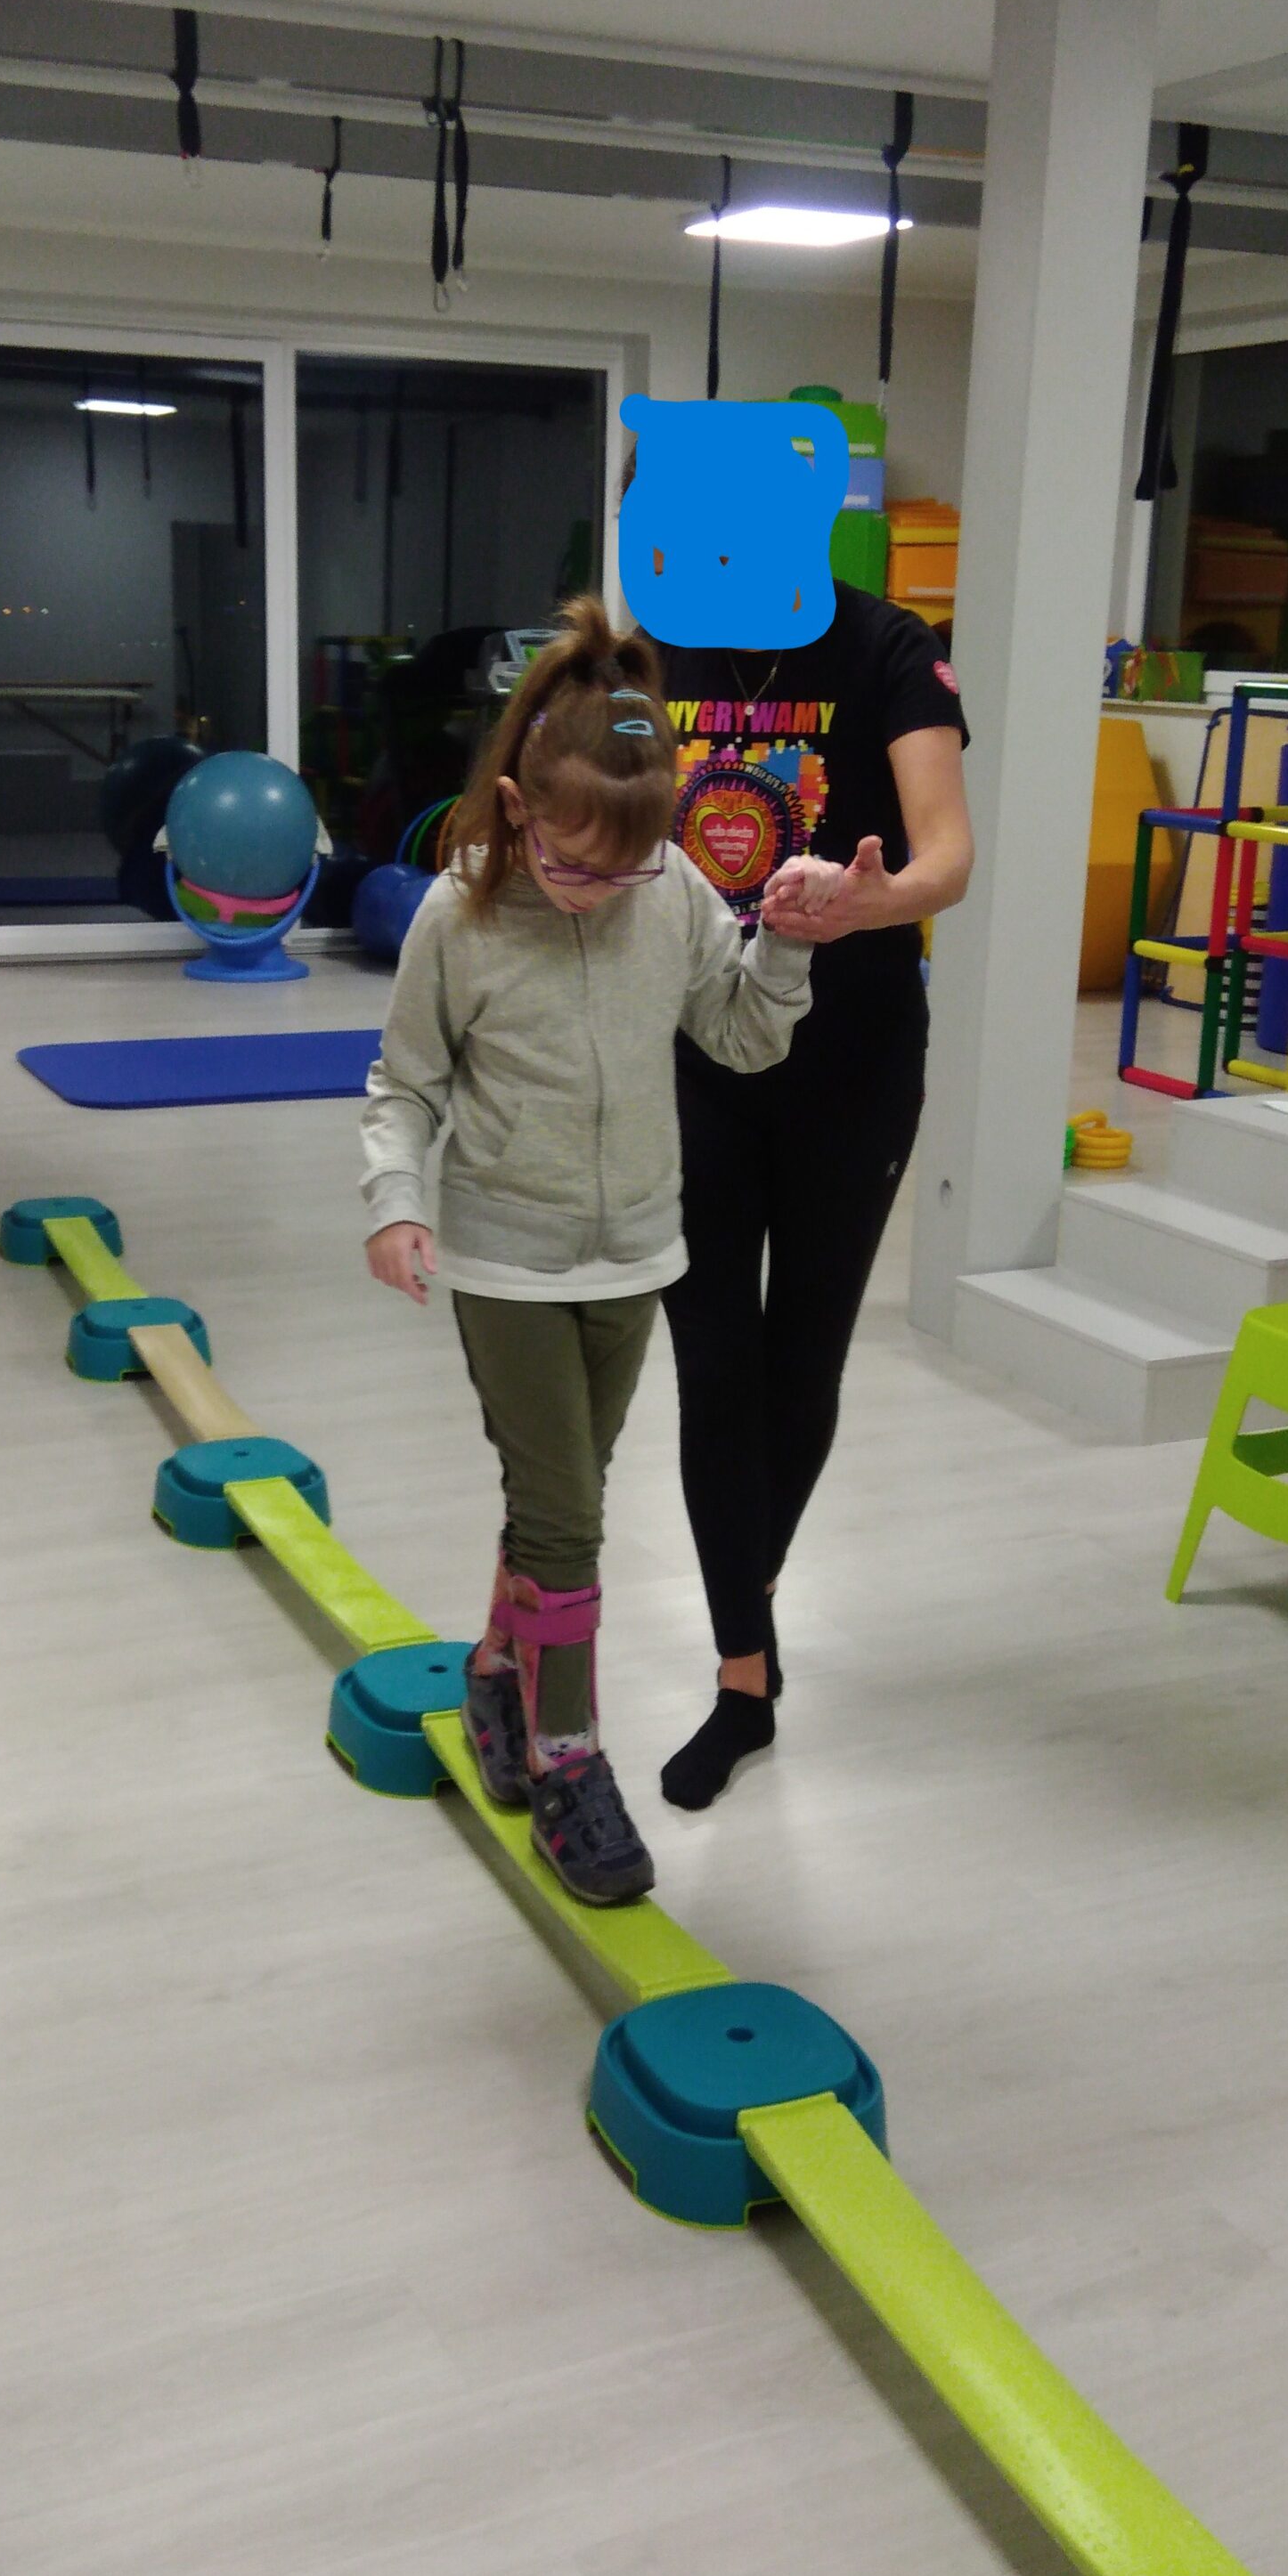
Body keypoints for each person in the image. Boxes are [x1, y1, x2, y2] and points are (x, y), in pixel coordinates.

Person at [360, 597, 819, 1908]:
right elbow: (404, 1084)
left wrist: (786, 941)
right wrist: (396, 1201)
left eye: (629, 867)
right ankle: (567, 1757)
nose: (601, 890)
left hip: (636, 1257)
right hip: (505, 1260)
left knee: (557, 1498)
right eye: (574, 865)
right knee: (569, 1522)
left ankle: (496, 1674)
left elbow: (742, 1036)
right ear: (518, 806)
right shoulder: (456, 916)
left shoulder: (667, 890)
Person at [650, 578, 974, 1812]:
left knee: (802, 1360)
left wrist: (880, 900)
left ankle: (751, 1594)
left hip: (854, 1060)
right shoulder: (654, 650)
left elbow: (948, 853)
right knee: (713, 1364)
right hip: (696, 1056)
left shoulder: (887, 645)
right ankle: (745, 1677)